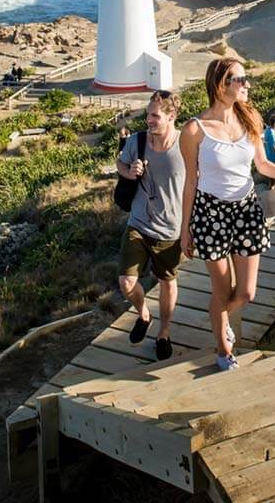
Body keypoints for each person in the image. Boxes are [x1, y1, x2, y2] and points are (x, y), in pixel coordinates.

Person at [180, 59, 275, 371]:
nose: (247, 84)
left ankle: (219, 316)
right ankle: (224, 351)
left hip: (247, 211)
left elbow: (262, 165)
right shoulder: (194, 130)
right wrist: (185, 230)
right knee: (222, 290)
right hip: (210, 214)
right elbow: (190, 182)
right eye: (240, 79)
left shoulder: (250, 116)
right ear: (221, 85)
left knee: (247, 293)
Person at [115, 91, 185, 360]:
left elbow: (195, 185)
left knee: (167, 282)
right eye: (147, 114)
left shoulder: (185, 145)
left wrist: (189, 228)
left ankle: (164, 333)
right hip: (139, 222)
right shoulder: (137, 140)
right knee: (126, 282)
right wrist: (129, 170)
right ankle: (143, 313)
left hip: (170, 229)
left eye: (155, 115)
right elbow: (120, 163)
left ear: (171, 116)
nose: (148, 120)